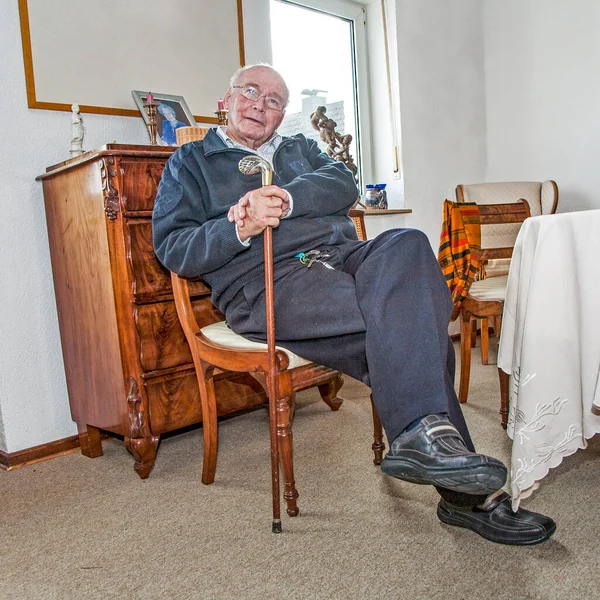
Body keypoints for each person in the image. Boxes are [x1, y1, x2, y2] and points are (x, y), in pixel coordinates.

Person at [152, 63, 556, 545]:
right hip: (266, 278)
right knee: (413, 320)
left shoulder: (300, 149)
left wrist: (283, 195)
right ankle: (460, 490)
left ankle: (422, 439)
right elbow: (174, 247)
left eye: (275, 100)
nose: (261, 104)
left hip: (344, 256)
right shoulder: (191, 162)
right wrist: (239, 226)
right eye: (251, 92)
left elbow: (344, 183)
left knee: (406, 243)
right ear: (227, 97)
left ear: (282, 116)